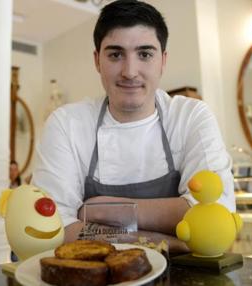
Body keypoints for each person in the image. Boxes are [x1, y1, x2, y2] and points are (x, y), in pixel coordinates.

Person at [32, 0, 235, 252]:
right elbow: (51, 227)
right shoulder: (66, 124)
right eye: (116, 54)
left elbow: (217, 214)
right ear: (97, 61)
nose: (130, 71)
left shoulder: (191, 116)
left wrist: (104, 208)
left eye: (145, 54)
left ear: (163, 60)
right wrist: (166, 242)